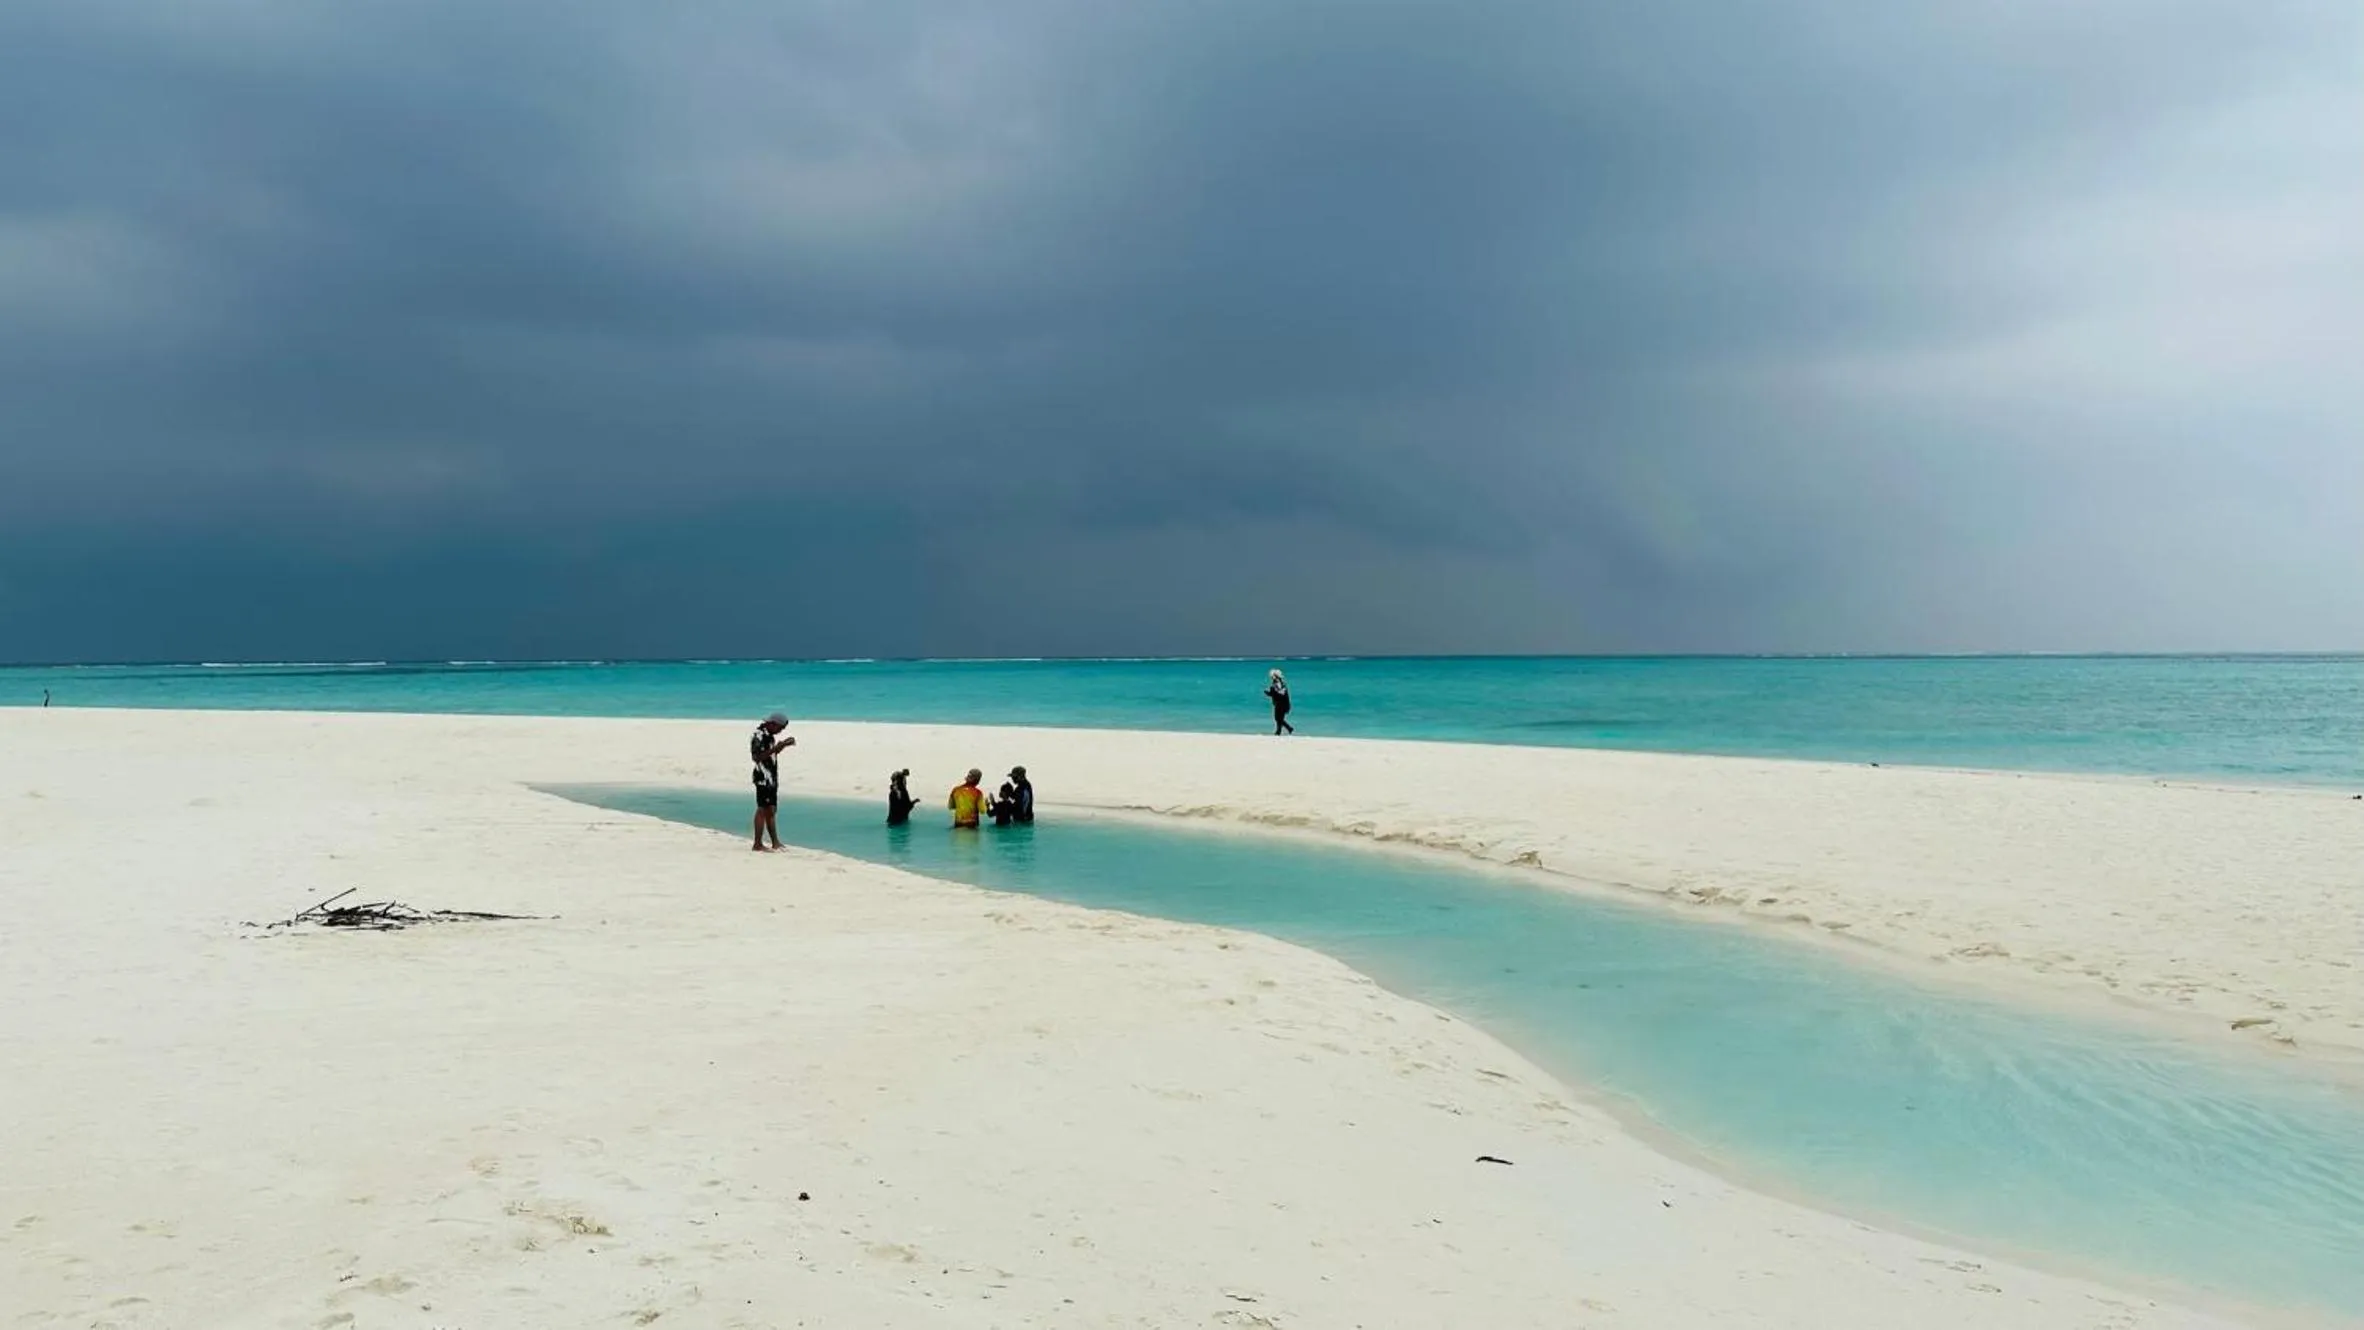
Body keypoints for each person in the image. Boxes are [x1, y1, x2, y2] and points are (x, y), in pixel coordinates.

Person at [749, 712, 796, 851]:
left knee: (771, 809)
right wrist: (776, 748)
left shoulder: (769, 735)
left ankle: (775, 842)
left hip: (771, 777)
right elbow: (757, 757)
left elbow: (770, 754)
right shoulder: (758, 735)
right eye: (780, 728)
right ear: (772, 724)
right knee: (762, 809)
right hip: (763, 777)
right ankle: (757, 844)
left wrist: (783, 745)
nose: (780, 731)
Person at [1264, 668, 1295, 735]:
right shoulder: (1282, 683)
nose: (1271, 678)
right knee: (1279, 718)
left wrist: (1268, 693)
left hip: (1280, 704)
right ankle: (1280, 731)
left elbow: (1277, 693)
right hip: (1282, 703)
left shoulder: (1276, 684)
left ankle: (1286, 729)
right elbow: (1280, 693)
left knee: (1278, 718)